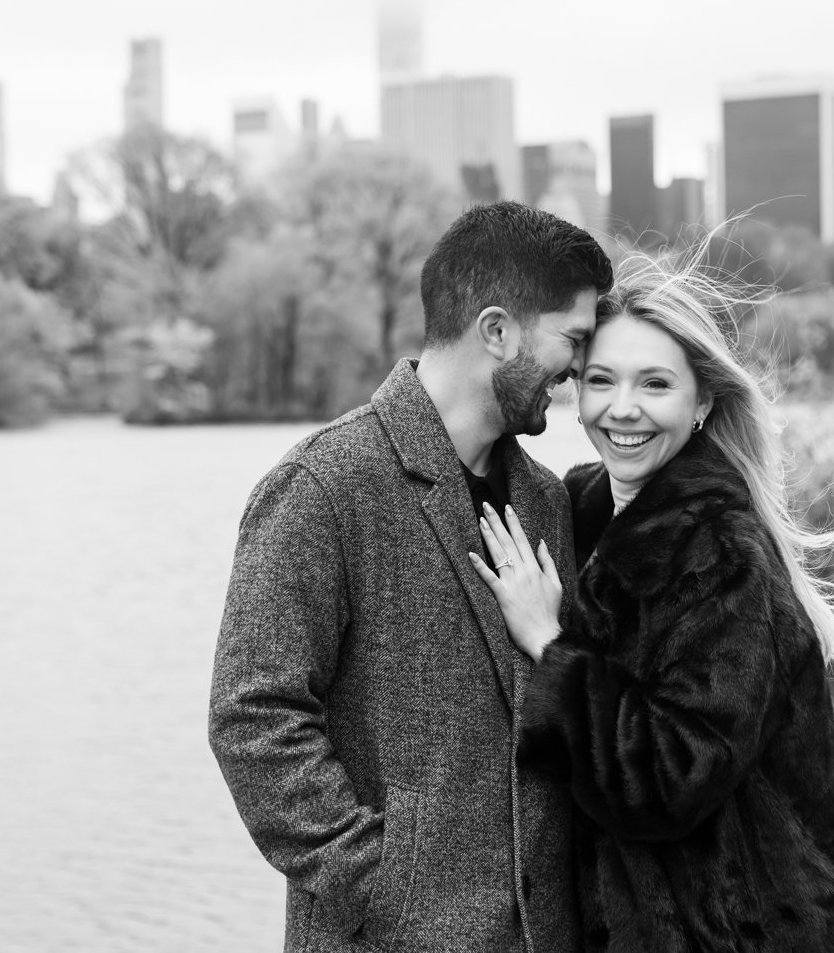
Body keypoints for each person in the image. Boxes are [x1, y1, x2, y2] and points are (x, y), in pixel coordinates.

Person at [209, 201, 613, 952]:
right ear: (498, 330)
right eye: (574, 339)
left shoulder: (546, 500)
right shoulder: (323, 484)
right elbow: (252, 718)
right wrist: (385, 890)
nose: (580, 370)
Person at [471, 250, 834, 953]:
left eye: (655, 383)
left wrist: (548, 643)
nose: (622, 408)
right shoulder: (584, 507)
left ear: (702, 403)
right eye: (600, 380)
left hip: (753, 926)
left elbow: (669, 774)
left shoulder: (721, 550)